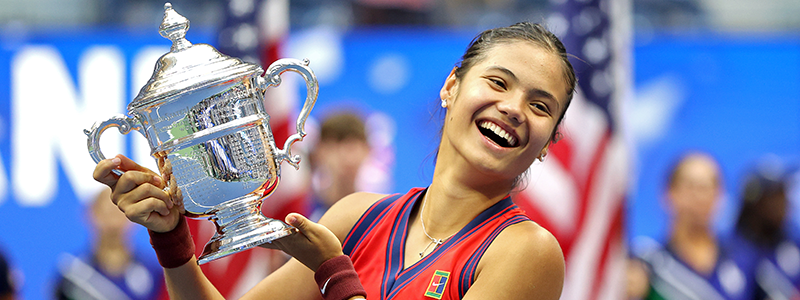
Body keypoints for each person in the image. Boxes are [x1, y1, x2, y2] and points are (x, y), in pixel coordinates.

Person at [92, 22, 575, 300]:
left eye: (540, 105)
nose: (513, 108)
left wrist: (334, 274)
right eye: (497, 82)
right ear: (451, 87)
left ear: (549, 141)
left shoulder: (528, 252)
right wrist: (172, 239)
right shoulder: (357, 217)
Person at [631, 152, 758, 300]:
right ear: (668, 194)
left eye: (707, 187)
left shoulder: (745, 259)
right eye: (691, 187)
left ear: (720, 196)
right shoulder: (646, 264)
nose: (699, 196)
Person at [54, 187, 163, 300]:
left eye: (120, 211)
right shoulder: (72, 276)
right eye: (107, 212)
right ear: (91, 214)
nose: (113, 221)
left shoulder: (154, 271)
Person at [728, 161, 800, 299]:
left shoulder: (794, 245)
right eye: (775, 195)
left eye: (784, 193)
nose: (783, 203)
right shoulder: (731, 254)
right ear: (755, 201)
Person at [307, 112, 372, 222]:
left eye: (353, 146)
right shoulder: (300, 211)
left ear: (368, 150)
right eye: (335, 145)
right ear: (319, 151)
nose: (347, 156)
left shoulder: (379, 214)